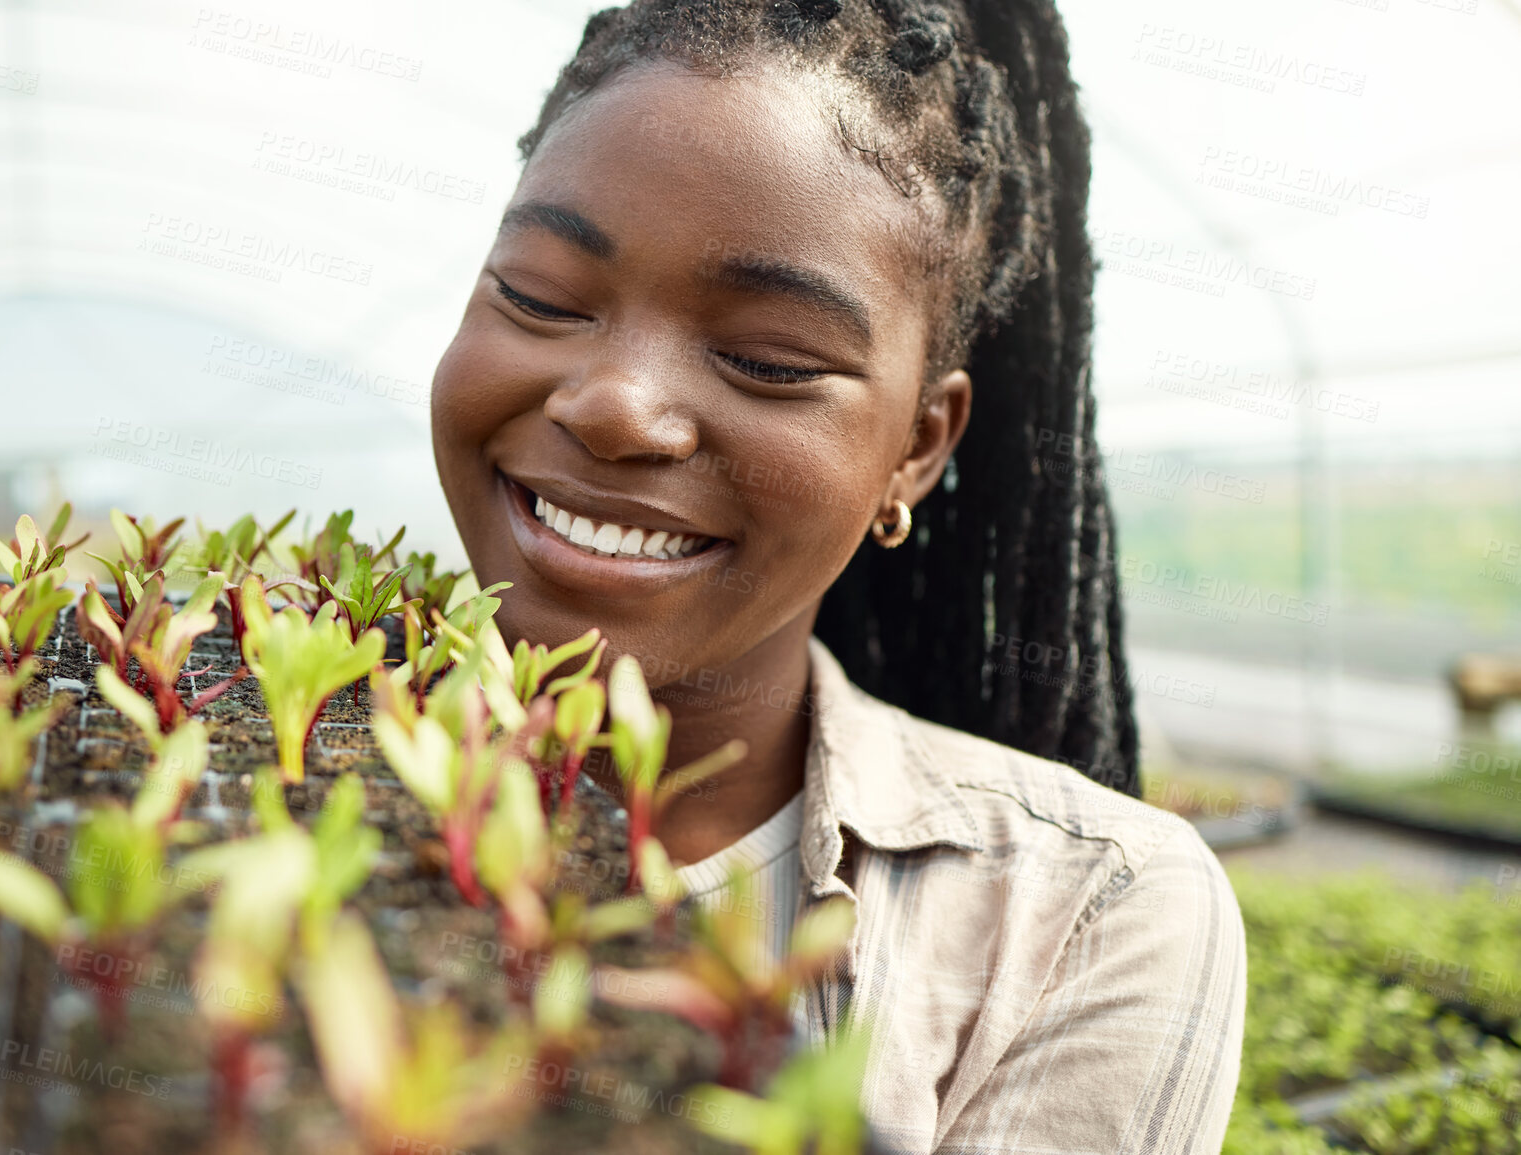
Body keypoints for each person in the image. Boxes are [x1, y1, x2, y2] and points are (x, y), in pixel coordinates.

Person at [428, 1, 1246, 1150]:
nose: (613, 404)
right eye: (539, 296)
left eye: (767, 358)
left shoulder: (1089, 909)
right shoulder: (273, 757)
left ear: (915, 446)